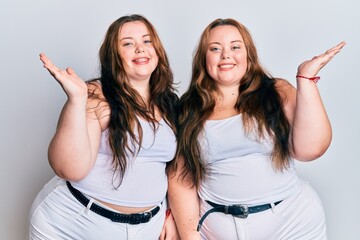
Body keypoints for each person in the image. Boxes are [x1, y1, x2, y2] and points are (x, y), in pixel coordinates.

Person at [168, 18, 345, 240]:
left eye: (235, 47)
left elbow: (311, 149)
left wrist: (306, 80)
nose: (226, 55)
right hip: (218, 228)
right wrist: (189, 235)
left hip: (292, 221)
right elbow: (181, 178)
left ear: (248, 55)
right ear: (204, 58)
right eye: (215, 48)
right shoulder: (186, 109)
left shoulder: (276, 91)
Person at [29, 14, 179, 240]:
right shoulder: (96, 95)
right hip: (73, 223)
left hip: (145, 229)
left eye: (147, 41)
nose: (140, 48)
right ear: (114, 55)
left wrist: (169, 213)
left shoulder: (170, 102)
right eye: (128, 43)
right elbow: (69, 169)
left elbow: (169, 171)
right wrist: (77, 101)